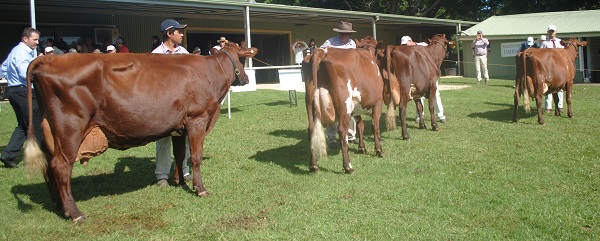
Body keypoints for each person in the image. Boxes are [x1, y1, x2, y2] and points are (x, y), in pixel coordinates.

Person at [152, 19, 192, 187]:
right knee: (163, 139)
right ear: (169, 33)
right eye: (178, 31)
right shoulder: (155, 55)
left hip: (183, 104)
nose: (182, 34)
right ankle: (162, 175)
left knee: (186, 136)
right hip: (163, 104)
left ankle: (184, 170)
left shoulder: (184, 52)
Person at [0, 27, 44, 168]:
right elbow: (25, 72)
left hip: (14, 91)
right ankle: (42, 155)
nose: (37, 42)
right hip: (24, 92)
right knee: (35, 122)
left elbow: (4, 68)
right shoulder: (22, 53)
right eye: (34, 39)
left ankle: (8, 155)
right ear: (25, 39)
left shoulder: (15, 51)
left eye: (37, 39)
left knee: (23, 126)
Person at [320, 21, 358, 148]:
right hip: (332, 80)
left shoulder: (352, 44)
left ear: (349, 34)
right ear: (338, 33)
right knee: (332, 107)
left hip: (349, 82)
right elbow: (319, 54)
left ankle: (351, 135)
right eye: (341, 34)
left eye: (346, 34)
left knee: (350, 108)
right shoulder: (329, 43)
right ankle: (331, 138)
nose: (343, 36)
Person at [400, 36, 447, 124]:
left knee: (436, 94)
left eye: (406, 44)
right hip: (418, 75)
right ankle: (420, 116)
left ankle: (440, 115)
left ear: (411, 41)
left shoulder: (424, 45)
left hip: (430, 74)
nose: (405, 46)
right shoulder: (409, 51)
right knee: (418, 95)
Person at [540, 25, 564, 114]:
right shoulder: (545, 43)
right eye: (550, 31)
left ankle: (560, 106)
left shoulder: (560, 42)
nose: (551, 33)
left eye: (553, 31)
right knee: (549, 87)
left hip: (559, 67)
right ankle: (548, 107)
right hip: (548, 68)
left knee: (560, 87)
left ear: (556, 32)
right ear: (547, 32)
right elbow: (540, 55)